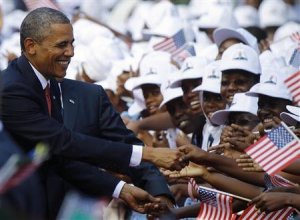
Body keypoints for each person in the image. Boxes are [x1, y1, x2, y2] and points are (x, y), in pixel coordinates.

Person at [0, 7, 185, 218]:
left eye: (71, 44)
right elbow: (64, 142)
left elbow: (58, 158)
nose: (70, 52)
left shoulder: (47, 85)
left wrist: (121, 189)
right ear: (31, 46)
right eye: (62, 45)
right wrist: (147, 153)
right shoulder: (11, 89)